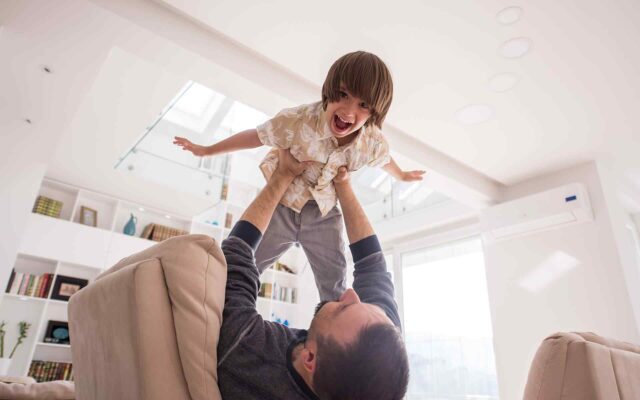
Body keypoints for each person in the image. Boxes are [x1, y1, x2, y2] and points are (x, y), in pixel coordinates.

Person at [174, 51, 425, 301]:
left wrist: (401, 175)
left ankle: (328, 336)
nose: (348, 111)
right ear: (329, 90)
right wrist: (207, 150)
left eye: (363, 105)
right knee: (238, 269)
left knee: (335, 288)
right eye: (344, 95)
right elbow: (255, 136)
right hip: (282, 205)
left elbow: (384, 160)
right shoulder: (296, 121)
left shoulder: (371, 142)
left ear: (374, 113)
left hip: (323, 215)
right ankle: (216, 309)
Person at [217, 149, 409, 399]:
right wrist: (344, 185)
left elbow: (235, 254)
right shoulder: (378, 349)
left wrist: (282, 176)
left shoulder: (249, 351)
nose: (350, 293)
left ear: (309, 358)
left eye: (343, 309)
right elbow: (372, 266)